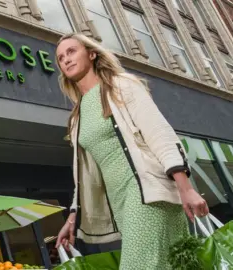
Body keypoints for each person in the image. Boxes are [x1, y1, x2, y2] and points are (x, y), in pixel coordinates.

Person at [54, 33, 209, 269]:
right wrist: (73, 216)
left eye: (72, 51)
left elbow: (159, 134)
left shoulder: (120, 86)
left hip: (147, 194)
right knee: (175, 265)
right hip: (121, 204)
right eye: (61, 57)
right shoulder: (78, 116)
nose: (66, 59)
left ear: (92, 54)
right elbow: (84, 176)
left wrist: (185, 188)